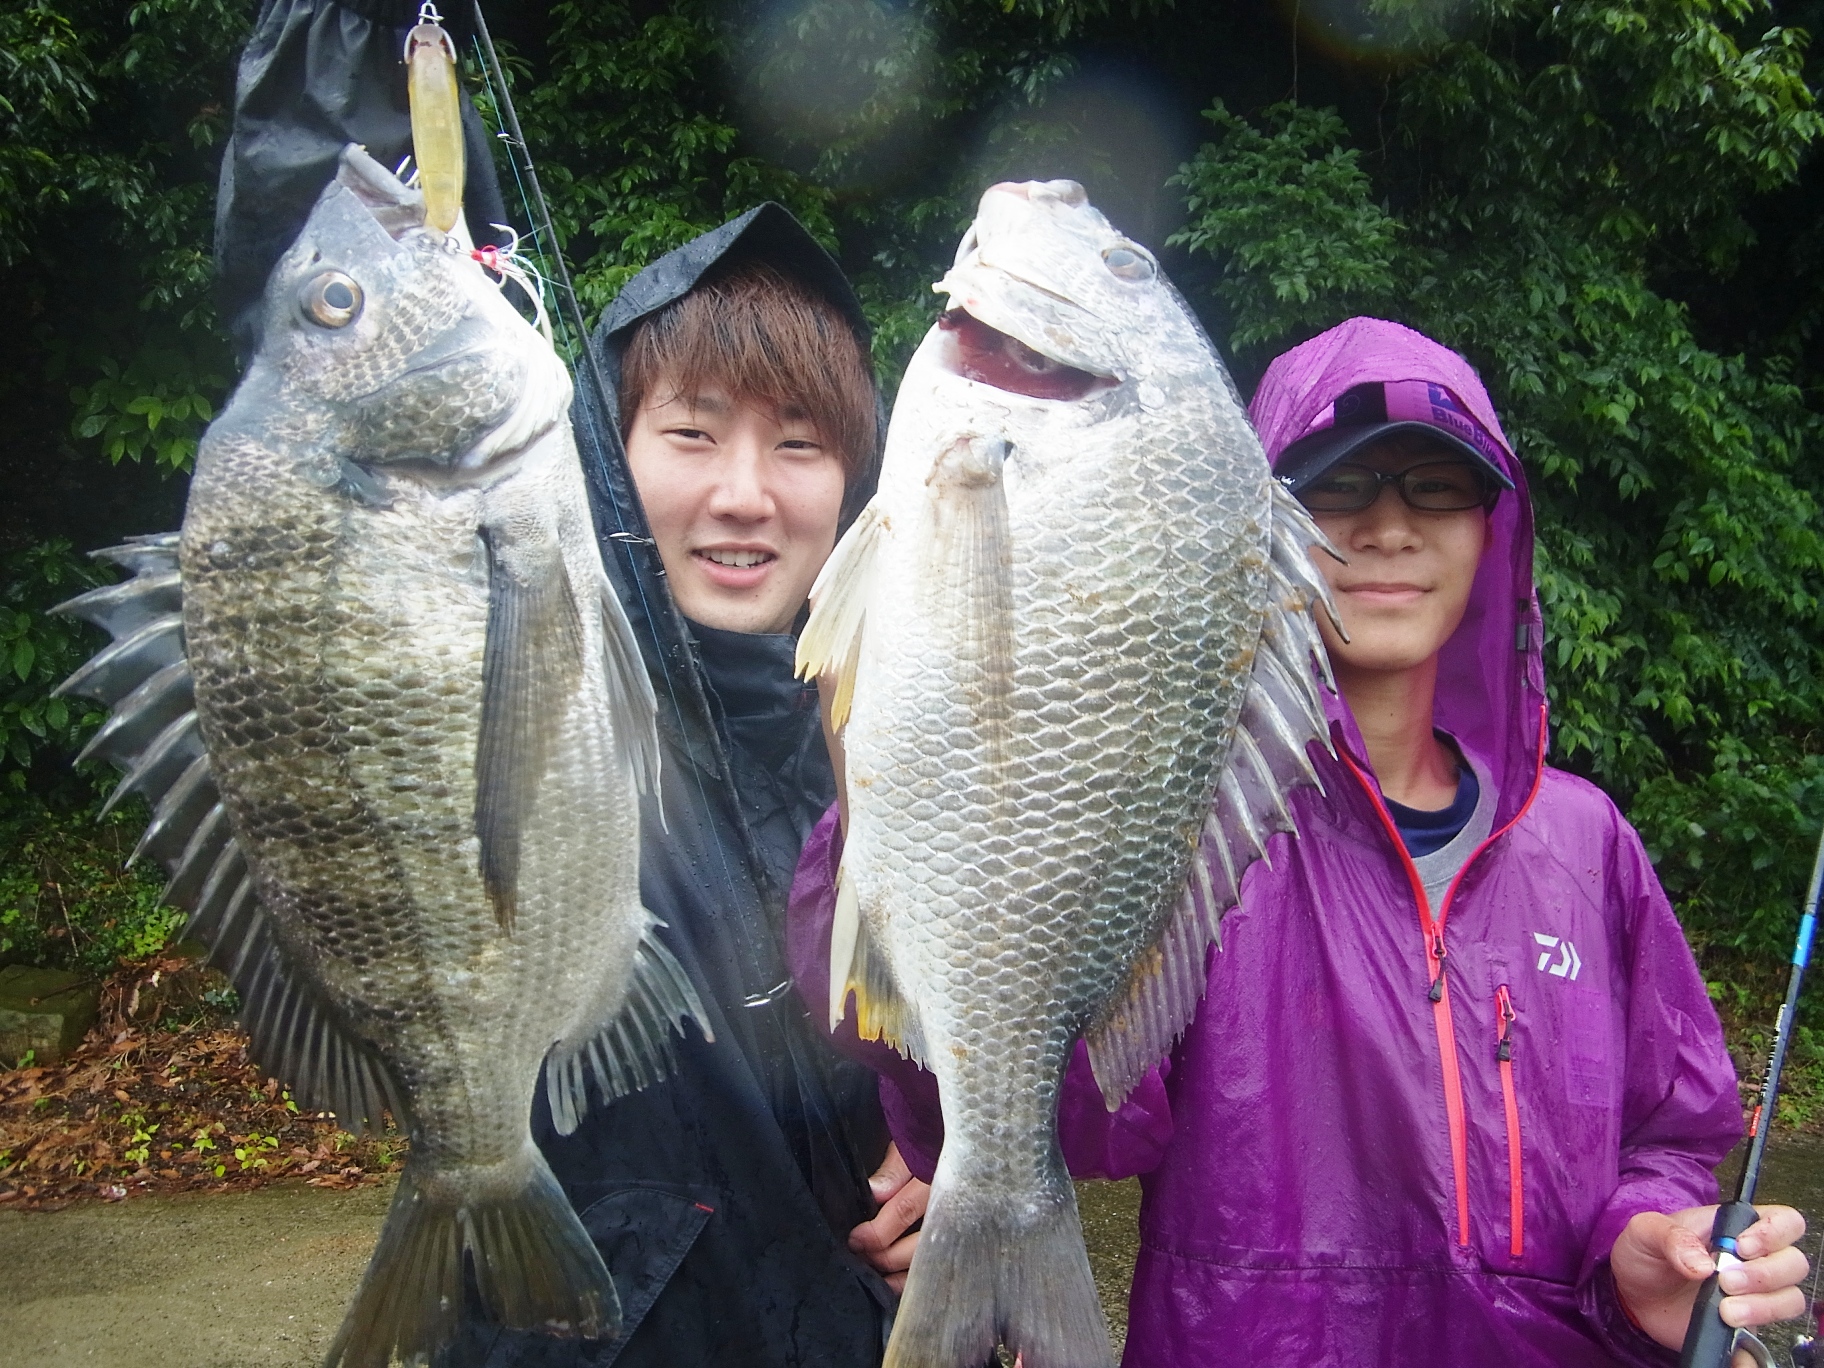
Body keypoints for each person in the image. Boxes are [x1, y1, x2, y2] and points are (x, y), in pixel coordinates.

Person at [789, 316, 1812, 1364]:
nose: (1387, 528)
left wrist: (1644, 1249)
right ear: (1259, 525)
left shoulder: (1587, 843)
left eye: (1435, 485)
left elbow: (1673, 1132)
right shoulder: (1181, 832)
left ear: (1492, 530)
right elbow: (1078, 1118)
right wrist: (898, 805)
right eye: (1339, 485)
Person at [216, 4, 904, 1364]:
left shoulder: (899, 733)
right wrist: (354, 30)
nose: (744, 496)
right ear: (603, 443)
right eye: (691, 434)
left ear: (857, 484)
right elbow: (330, 284)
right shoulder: (518, 623)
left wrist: (954, 1172)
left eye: (803, 445)